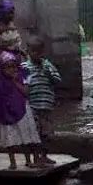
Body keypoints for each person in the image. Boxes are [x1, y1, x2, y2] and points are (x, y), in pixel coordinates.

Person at [0, 52, 41, 169]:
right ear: (2, 69)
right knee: (10, 138)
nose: (11, 70)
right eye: (7, 67)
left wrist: (15, 81)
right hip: (6, 111)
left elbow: (26, 92)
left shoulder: (23, 76)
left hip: (22, 108)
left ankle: (28, 159)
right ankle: (12, 162)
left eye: (13, 66)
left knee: (26, 136)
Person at [22, 35, 61, 165]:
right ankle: (35, 157)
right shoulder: (25, 67)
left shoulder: (47, 65)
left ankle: (44, 155)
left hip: (46, 105)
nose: (36, 54)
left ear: (42, 52)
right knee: (34, 134)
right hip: (32, 106)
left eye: (39, 52)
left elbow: (57, 80)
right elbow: (20, 85)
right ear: (28, 52)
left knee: (46, 134)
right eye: (33, 51)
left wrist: (48, 73)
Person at [0, 0, 24, 81]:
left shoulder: (13, 26)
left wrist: (21, 51)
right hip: (3, 60)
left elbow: (15, 42)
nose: (12, 15)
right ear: (2, 14)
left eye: (13, 13)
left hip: (16, 58)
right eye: (9, 13)